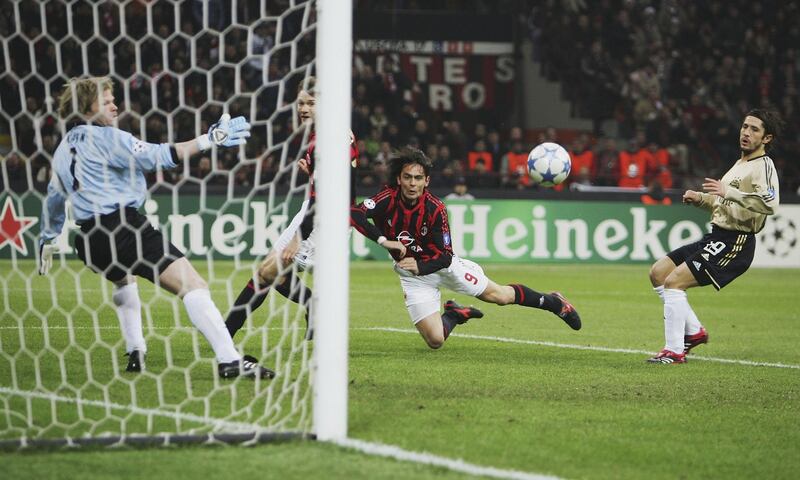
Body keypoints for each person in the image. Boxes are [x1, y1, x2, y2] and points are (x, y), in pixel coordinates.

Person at [38, 76, 273, 379]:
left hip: (89, 242)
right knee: (194, 285)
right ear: (88, 106)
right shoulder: (107, 137)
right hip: (123, 228)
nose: (115, 105)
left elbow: (54, 199)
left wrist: (47, 238)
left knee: (124, 280)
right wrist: (208, 139)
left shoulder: (62, 149)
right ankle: (229, 360)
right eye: (107, 101)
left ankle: (135, 351)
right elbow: (157, 156)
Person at [350, 147, 581, 349]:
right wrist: (384, 241)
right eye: (407, 177)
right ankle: (455, 313)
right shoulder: (388, 198)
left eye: (418, 178)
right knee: (435, 341)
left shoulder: (435, 208)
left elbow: (445, 256)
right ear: (399, 179)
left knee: (500, 296)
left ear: (426, 181)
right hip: (413, 277)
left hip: (443, 268)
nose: (412, 183)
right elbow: (355, 213)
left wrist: (420, 266)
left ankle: (554, 302)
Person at [224, 76, 358, 341]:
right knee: (266, 272)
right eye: (300, 103)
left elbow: (335, 194)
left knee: (270, 272)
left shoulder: (328, 139)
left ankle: (226, 332)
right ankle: (226, 332)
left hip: (325, 219)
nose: (303, 109)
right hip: (316, 210)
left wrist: (298, 237)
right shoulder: (328, 133)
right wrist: (312, 173)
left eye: (310, 103)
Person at [647, 109, 783, 364]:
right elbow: (724, 203)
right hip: (717, 236)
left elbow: (771, 204)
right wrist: (701, 198)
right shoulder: (740, 164)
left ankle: (674, 351)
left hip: (736, 241)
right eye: (745, 126)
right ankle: (695, 331)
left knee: (674, 282)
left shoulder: (763, 166)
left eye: (755, 129)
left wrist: (728, 193)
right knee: (659, 272)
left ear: (767, 138)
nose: (746, 132)